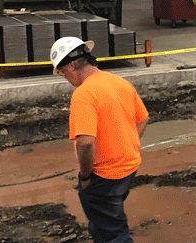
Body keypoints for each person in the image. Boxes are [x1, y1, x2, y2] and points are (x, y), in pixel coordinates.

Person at [50, 37, 149, 243]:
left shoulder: (84, 94)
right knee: (105, 221)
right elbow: (143, 119)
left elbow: (85, 143)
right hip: (129, 167)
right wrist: (128, 146)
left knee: (114, 235)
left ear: (71, 65)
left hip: (104, 176)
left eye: (63, 72)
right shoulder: (119, 82)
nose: (65, 77)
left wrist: (86, 176)